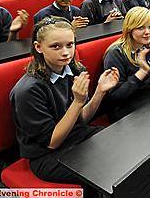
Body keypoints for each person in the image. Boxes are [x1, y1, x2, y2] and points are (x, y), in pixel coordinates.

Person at [10, 16, 119, 183]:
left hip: (77, 136)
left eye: (70, 45)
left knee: (123, 145)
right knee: (109, 167)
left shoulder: (74, 69)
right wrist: (77, 102)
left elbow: (81, 120)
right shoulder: (27, 90)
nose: (66, 52)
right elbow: (52, 142)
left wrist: (99, 92)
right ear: (38, 47)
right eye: (56, 46)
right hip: (48, 156)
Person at [103, 7, 150, 122]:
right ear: (129, 30)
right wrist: (142, 72)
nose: (148, 32)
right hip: (128, 109)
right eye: (141, 28)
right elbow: (116, 97)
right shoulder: (115, 53)